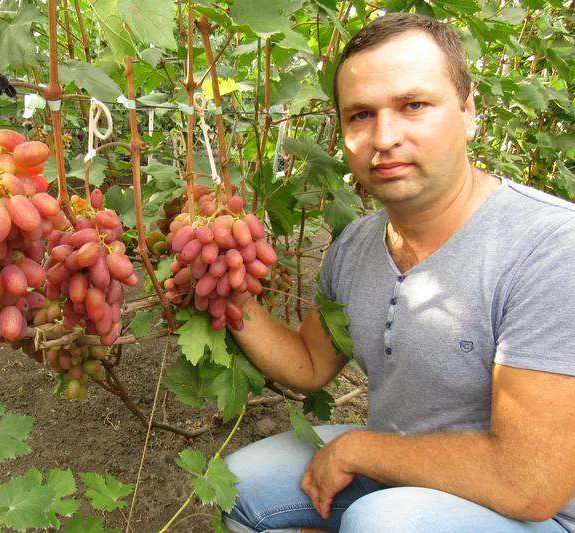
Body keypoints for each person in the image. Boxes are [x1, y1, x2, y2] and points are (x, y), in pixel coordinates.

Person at [223, 12, 575, 533]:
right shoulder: (357, 244)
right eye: (360, 115)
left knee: (383, 523)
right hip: (400, 469)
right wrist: (228, 298)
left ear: (469, 111)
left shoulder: (551, 249)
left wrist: (359, 447)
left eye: (414, 105)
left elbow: (529, 484)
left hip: (537, 513)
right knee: (235, 486)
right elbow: (311, 363)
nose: (384, 137)